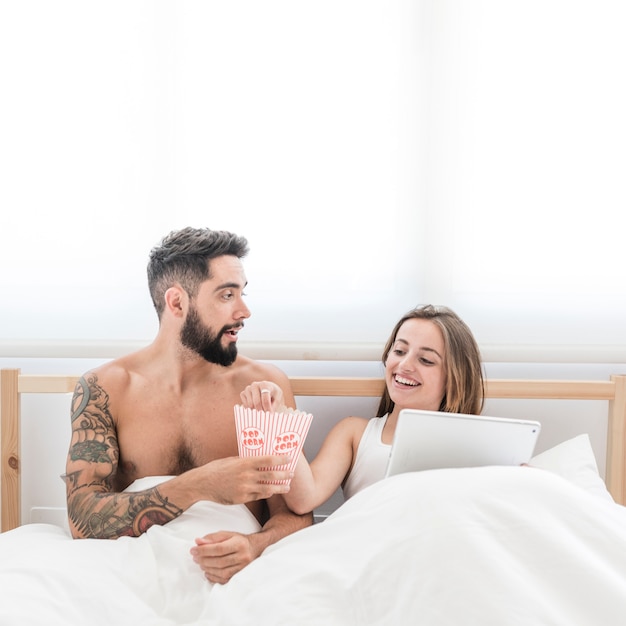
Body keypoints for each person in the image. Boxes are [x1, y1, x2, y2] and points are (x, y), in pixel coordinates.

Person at [63, 226, 312, 583]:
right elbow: (81, 518)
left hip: (230, 576)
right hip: (130, 574)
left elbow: (296, 513)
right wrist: (201, 485)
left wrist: (257, 544)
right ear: (177, 302)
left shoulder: (262, 388)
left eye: (242, 294)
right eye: (227, 295)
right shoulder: (105, 389)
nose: (245, 311)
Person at [240, 304, 484, 514]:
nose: (405, 364)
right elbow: (304, 499)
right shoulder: (354, 433)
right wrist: (279, 415)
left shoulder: (477, 443)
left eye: (426, 360)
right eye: (399, 351)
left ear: (454, 377)